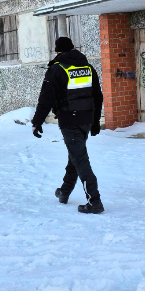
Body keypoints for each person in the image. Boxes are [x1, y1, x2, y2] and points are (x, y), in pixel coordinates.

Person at [31, 37, 105, 214]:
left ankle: (94, 201)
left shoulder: (57, 69)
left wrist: (37, 122)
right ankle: (64, 191)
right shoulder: (88, 68)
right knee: (75, 156)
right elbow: (98, 96)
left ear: (57, 52)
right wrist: (95, 122)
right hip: (86, 120)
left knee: (80, 160)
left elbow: (46, 99)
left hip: (69, 120)